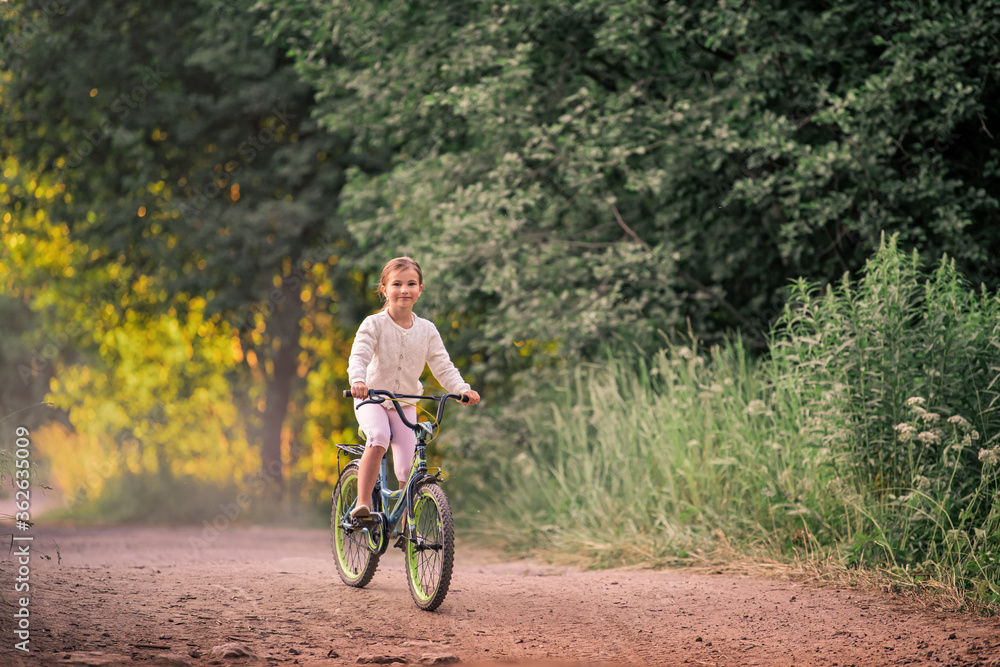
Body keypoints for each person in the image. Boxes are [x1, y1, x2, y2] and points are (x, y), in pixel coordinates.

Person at [347, 256, 480, 519]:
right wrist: (358, 382)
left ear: (420, 290)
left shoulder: (427, 330)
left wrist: (462, 388)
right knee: (379, 438)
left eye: (411, 284)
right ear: (384, 289)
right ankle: (363, 503)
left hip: (405, 403)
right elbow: (359, 356)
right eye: (396, 284)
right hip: (372, 399)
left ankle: (406, 523)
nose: (404, 290)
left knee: (409, 469)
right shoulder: (373, 324)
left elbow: (443, 366)